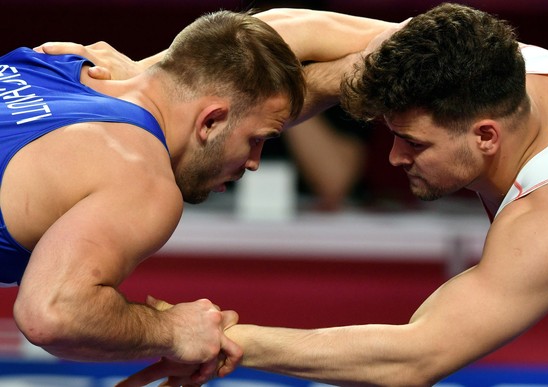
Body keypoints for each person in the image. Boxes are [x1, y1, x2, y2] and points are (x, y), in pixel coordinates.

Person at [90, 3, 548, 387]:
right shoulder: (483, 60)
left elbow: (417, 357)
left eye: (415, 143)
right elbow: (296, 29)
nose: (393, 158)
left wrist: (208, 337)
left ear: (486, 137)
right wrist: (147, 80)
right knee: (346, 67)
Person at [4, 6, 399, 386]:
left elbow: (274, 31)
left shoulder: (53, 64)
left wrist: (423, 43)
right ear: (210, 121)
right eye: (256, 141)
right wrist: (171, 331)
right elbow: (51, 314)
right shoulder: (141, 175)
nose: (253, 163)